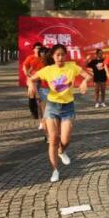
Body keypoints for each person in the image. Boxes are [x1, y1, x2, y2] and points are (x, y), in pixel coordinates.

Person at [28, 44, 91, 182]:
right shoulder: (48, 70)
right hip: (52, 107)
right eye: (57, 55)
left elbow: (87, 75)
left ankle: (61, 151)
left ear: (66, 55)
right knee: (53, 139)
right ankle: (55, 170)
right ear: (52, 56)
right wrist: (31, 85)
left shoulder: (72, 67)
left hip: (68, 107)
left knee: (65, 140)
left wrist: (84, 82)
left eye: (62, 54)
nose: (60, 57)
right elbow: (31, 78)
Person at [22, 42, 43, 119]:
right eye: (37, 48)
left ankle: (42, 112)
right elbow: (24, 66)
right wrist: (27, 74)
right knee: (32, 96)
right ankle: (34, 112)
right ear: (34, 49)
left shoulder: (44, 58)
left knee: (41, 96)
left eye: (40, 49)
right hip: (32, 80)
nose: (38, 50)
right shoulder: (30, 57)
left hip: (42, 80)